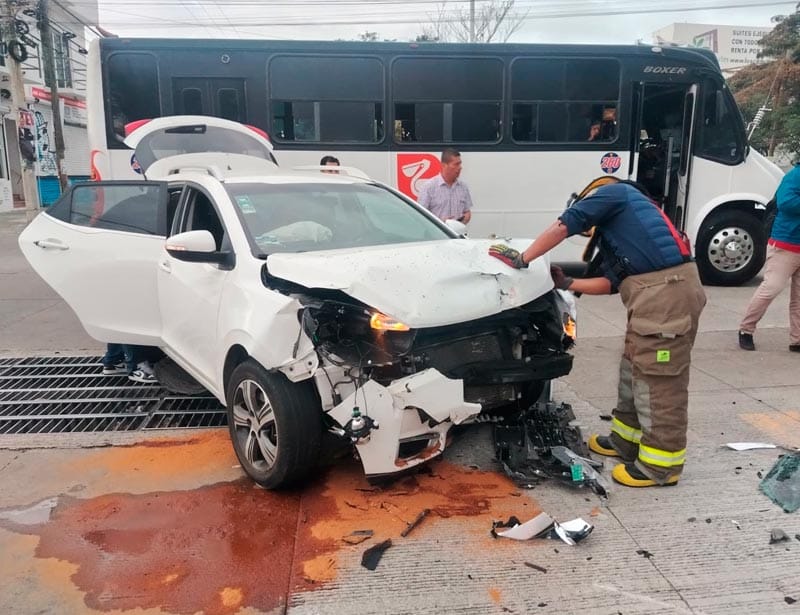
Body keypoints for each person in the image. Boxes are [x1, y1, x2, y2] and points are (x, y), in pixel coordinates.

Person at [488, 178, 706, 488]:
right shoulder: (627, 230)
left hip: (667, 297)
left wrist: (523, 258)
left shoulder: (614, 193)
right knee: (634, 367)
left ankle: (661, 467)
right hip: (653, 298)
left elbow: (564, 226)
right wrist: (566, 284)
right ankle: (625, 442)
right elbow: (610, 284)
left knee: (659, 379)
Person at [738, 165, 800, 353]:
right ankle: (746, 330)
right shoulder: (795, 176)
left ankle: (797, 339)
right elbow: (786, 203)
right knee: (771, 288)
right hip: (785, 244)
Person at [416, 148, 472, 224]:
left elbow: (467, 212)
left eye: (460, 164)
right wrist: (442, 223)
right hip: (437, 235)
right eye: (456, 164)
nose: (460, 167)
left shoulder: (463, 187)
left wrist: (464, 219)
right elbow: (420, 216)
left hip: (458, 234)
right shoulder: (429, 187)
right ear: (444, 165)